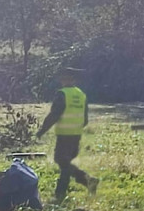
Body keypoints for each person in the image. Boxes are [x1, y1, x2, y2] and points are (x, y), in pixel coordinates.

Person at [35, 67, 99, 202]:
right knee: (65, 163)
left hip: (64, 135)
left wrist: (42, 130)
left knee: (62, 162)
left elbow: (54, 115)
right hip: (76, 135)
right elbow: (85, 119)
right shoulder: (81, 95)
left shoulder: (62, 94)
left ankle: (62, 193)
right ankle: (87, 182)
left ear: (63, 79)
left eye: (63, 77)